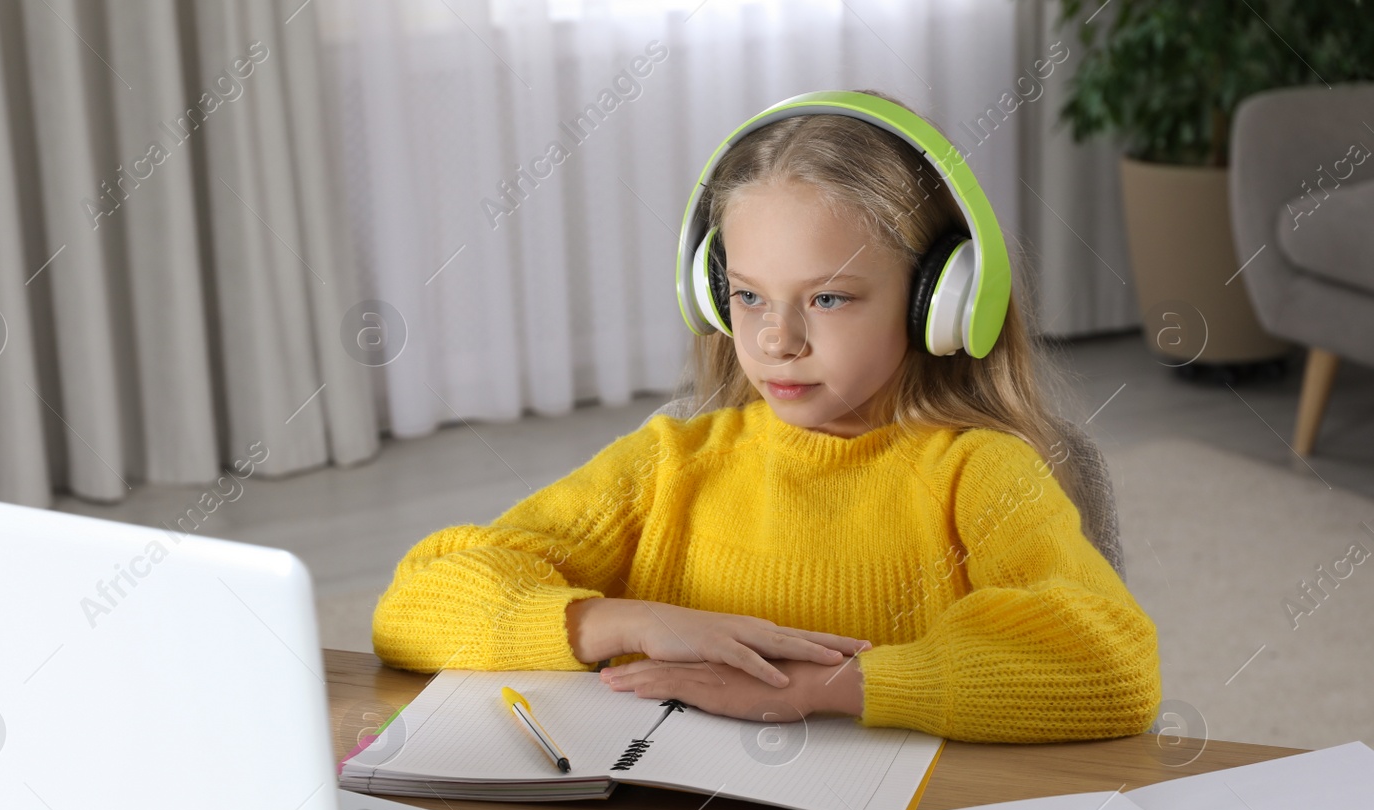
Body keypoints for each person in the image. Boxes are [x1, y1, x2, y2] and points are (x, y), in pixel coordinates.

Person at [371, 89, 1160, 744]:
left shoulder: (977, 474)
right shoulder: (670, 464)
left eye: (828, 298)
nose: (778, 339)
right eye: (747, 295)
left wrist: (828, 687)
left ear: (940, 302)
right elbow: (413, 605)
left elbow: (1114, 664)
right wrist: (626, 620)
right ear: (712, 294)